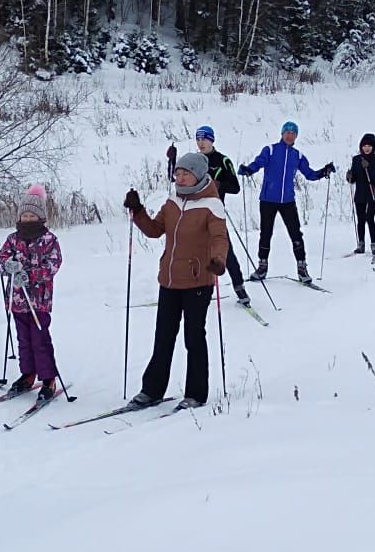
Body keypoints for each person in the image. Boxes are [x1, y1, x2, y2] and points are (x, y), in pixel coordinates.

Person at [123, 152, 228, 410]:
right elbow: (155, 230)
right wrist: (137, 211)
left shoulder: (211, 205)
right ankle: (152, 390)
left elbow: (219, 238)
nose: (179, 178)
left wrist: (218, 260)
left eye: (185, 173)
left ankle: (196, 393)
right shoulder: (173, 202)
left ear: (198, 175)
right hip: (169, 281)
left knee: (194, 338)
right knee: (163, 337)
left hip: (198, 281)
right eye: (178, 173)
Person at [237, 121, 335, 283]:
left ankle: (302, 268)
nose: (290, 135)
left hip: (287, 200)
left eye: (293, 133)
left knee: (295, 233)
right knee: (266, 233)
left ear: (296, 136)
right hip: (268, 199)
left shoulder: (298, 155)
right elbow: (258, 163)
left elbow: (309, 174)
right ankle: (262, 267)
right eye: (287, 132)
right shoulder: (270, 150)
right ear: (282, 134)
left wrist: (324, 172)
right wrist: (249, 170)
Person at [0, 185, 63, 401]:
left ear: (40, 217)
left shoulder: (49, 240)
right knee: (23, 340)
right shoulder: (13, 239)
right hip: (17, 300)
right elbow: (0, 262)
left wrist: (32, 275)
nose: (27, 219)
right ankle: (28, 374)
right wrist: (10, 266)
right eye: (24, 215)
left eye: (32, 215)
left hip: (39, 301)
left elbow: (54, 264)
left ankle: (48, 379)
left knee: (39, 339)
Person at [194, 125, 249, 306]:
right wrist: (172, 161)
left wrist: (218, 185)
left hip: (215, 213)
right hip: (195, 213)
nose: (201, 143)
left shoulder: (223, 160)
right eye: (198, 139)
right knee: (196, 251)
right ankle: (198, 289)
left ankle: (240, 287)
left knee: (225, 251)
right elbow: (177, 178)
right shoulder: (193, 160)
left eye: (205, 139)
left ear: (212, 140)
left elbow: (235, 187)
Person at [345, 133, 375, 256]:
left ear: (373, 146)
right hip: (360, 193)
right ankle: (361, 243)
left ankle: (374, 244)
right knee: (361, 219)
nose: (367, 148)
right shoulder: (356, 159)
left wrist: (369, 168)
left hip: (373, 194)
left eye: (369, 145)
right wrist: (350, 177)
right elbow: (354, 179)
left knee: (370, 218)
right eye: (364, 146)